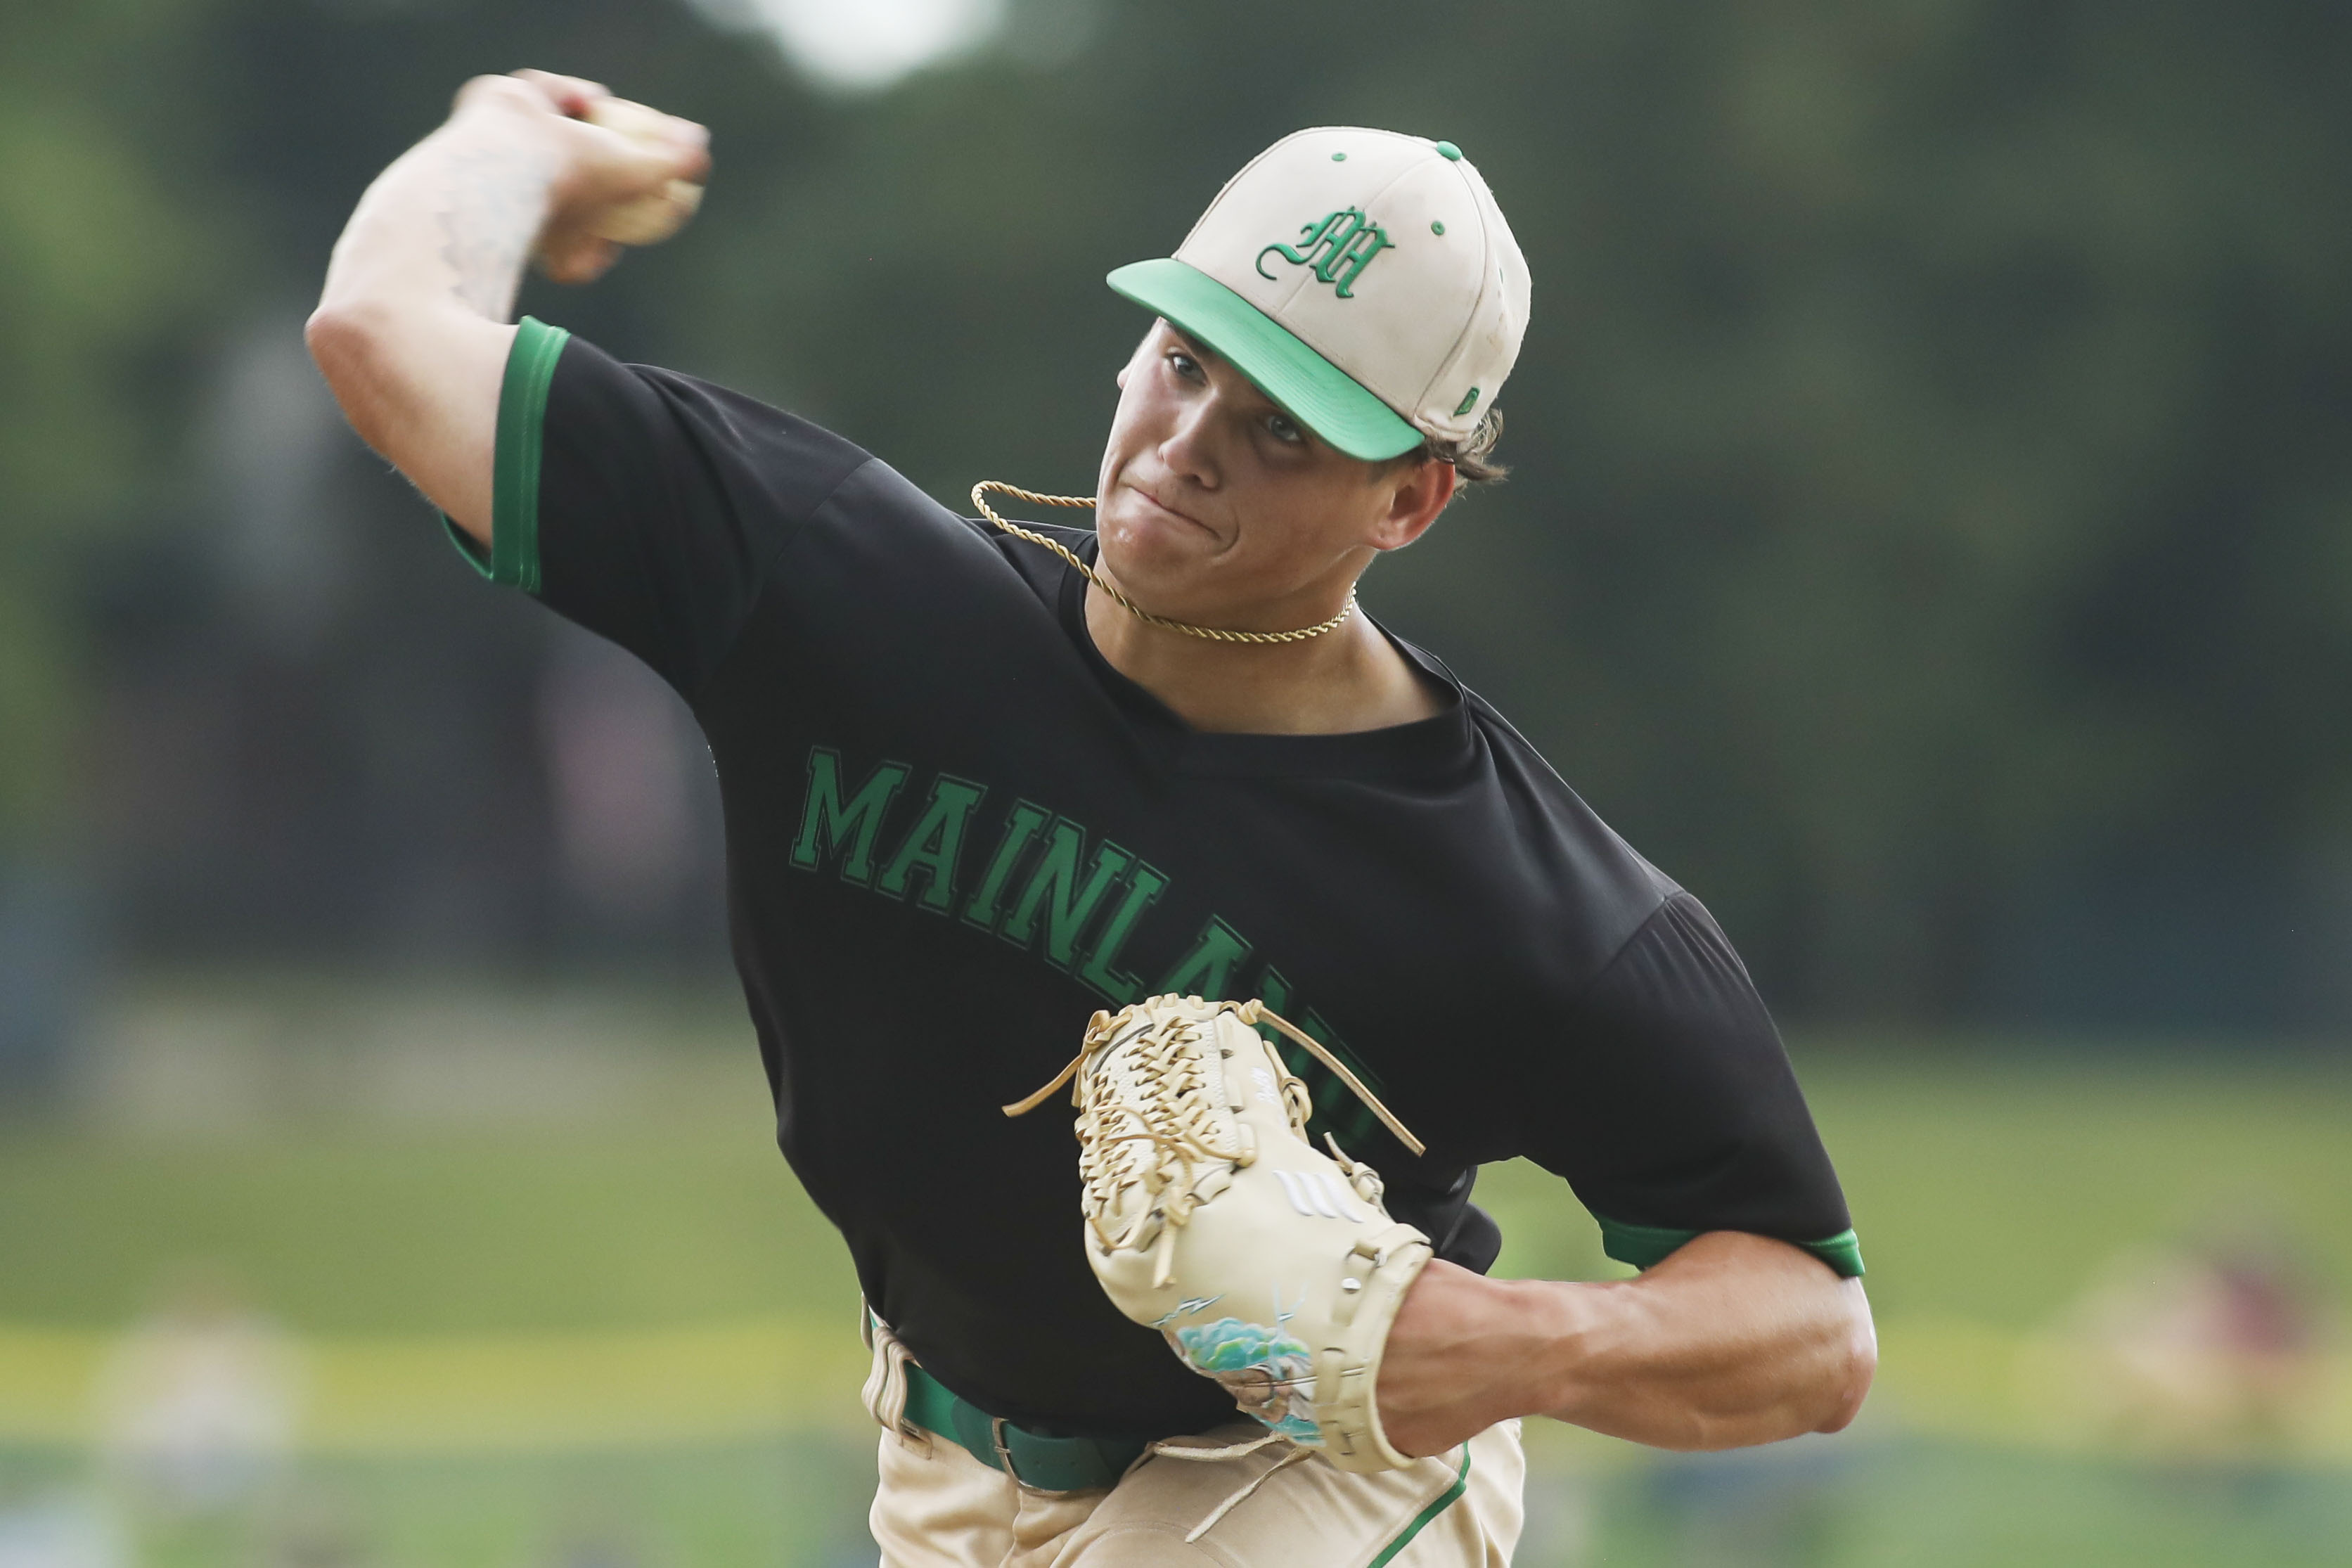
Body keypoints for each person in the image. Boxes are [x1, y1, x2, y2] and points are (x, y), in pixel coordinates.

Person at [306, 69, 1876, 1567]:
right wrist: (511, 141)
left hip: (1301, 1470)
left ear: (1408, 499)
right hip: (942, 1471)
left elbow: (1806, 1325)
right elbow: (385, 332)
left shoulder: (1520, 892)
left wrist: (1496, 1343)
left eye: (1284, 427)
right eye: (1186, 360)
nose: (1190, 442)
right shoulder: (839, 595)